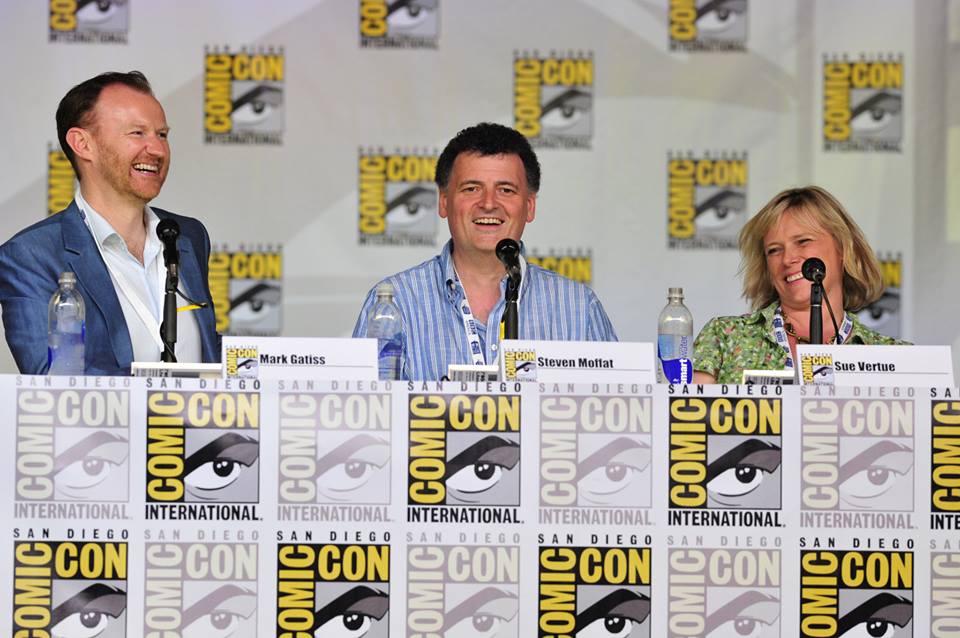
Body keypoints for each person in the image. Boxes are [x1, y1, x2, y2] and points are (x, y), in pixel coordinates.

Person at [353, 122, 617, 380]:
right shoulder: (393, 302)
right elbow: (365, 415)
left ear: (529, 206)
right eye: (472, 188)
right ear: (444, 202)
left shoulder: (578, 308)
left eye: (505, 190)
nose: (489, 203)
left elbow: (617, 414)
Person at [0, 71, 219, 375]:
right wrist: (161, 404)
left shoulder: (188, 236)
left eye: (162, 135)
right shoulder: (32, 255)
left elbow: (211, 354)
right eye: (137, 133)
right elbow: (51, 382)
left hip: (202, 424)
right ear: (82, 144)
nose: (157, 150)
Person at [693, 185, 903, 384]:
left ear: (843, 249)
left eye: (803, 241)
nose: (787, 259)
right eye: (774, 250)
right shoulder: (725, 335)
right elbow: (690, 417)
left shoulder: (892, 355)